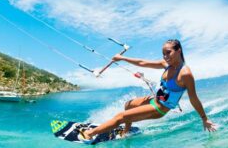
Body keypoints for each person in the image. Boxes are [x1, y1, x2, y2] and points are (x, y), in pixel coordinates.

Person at [79, 39, 217, 141]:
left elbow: (193, 98)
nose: (165, 56)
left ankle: (90, 134)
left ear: (178, 50)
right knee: (128, 105)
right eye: (163, 54)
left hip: (159, 108)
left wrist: (204, 119)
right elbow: (142, 62)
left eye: (168, 53)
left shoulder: (185, 74)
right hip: (153, 100)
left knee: (121, 116)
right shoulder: (166, 65)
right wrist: (122, 58)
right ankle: (126, 132)